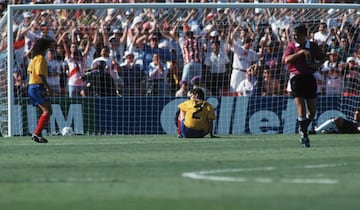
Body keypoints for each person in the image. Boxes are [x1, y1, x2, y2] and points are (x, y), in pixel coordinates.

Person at [282, 23, 326, 148]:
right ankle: (304, 136)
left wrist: (317, 66)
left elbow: (323, 57)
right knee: (301, 107)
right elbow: (286, 60)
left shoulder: (312, 46)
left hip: (309, 78)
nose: (294, 37)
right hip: (296, 78)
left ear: (304, 35)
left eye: (296, 35)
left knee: (312, 112)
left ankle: (303, 129)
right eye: (293, 34)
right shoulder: (292, 46)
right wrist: (301, 52)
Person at [27, 38, 53, 143]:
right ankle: (36, 134)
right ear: (44, 47)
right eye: (48, 47)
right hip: (37, 86)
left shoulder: (34, 58)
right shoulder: (41, 58)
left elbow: (29, 72)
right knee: (47, 111)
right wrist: (47, 87)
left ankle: (38, 133)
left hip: (32, 86)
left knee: (47, 110)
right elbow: (40, 74)